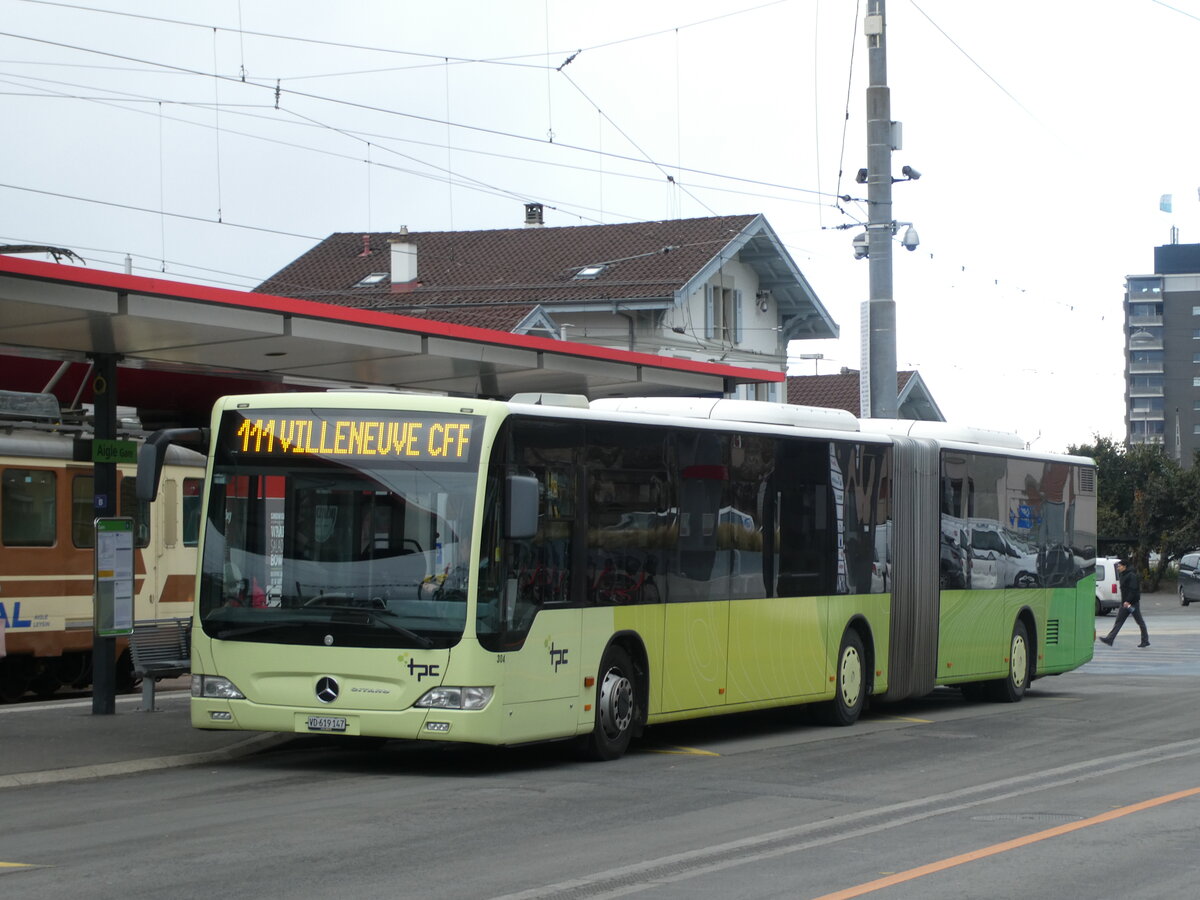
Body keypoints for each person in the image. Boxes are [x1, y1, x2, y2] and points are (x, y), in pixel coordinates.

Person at [1099, 558, 1150, 648]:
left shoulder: (1131, 575)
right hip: (1125, 603)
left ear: (1124, 567)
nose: (1118, 568)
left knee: (1139, 621)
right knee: (1119, 621)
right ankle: (1110, 639)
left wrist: (1128, 601)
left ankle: (1145, 640)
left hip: (1131, 603)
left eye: (1119, 566)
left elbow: (1133, 590)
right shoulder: (1123, 574)